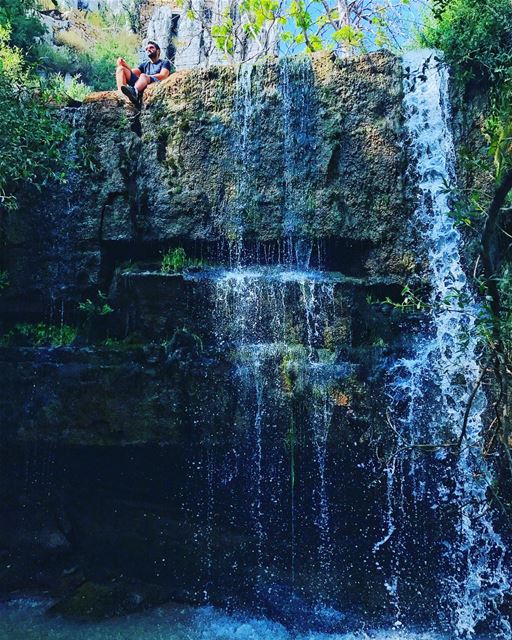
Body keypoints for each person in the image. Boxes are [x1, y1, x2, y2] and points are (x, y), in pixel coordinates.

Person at [116, 41, 174, 107]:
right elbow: (132, 72)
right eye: (146, 49)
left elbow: (163, 75)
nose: (148, 50)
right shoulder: (144, 65)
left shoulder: (164, 62)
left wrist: (146, 77)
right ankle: (121, 94)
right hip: (142, 82)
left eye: (151, 48)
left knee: (143, 75)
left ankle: (134, 92)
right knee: (121, 69)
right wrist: (124, 64)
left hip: (155, 82)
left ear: (158, 51)